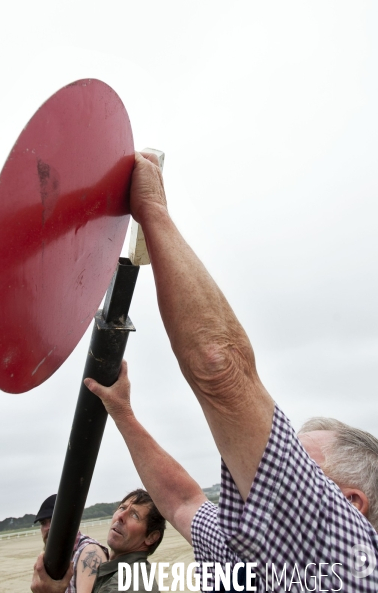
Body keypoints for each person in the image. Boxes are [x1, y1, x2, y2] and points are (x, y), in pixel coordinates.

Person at [82, 151, 378, 592]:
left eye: (296, 468)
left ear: (350, 505)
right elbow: (183, 499)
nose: (258, 468)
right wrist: (124, 413)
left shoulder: (347, 561)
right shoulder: (248, 556)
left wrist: (153, 213)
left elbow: (218, 366)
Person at [31, 489, 165, 593]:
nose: (120, 517)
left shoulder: (125, 585)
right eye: (122, 508)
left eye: (135, 515)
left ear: (151, 537)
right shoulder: (115, 574)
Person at [33, 494, 108, 593]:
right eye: (43, 523)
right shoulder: (51, 557)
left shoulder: (89, 552)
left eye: (53, 520)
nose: (48, 528)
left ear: (68, 520)